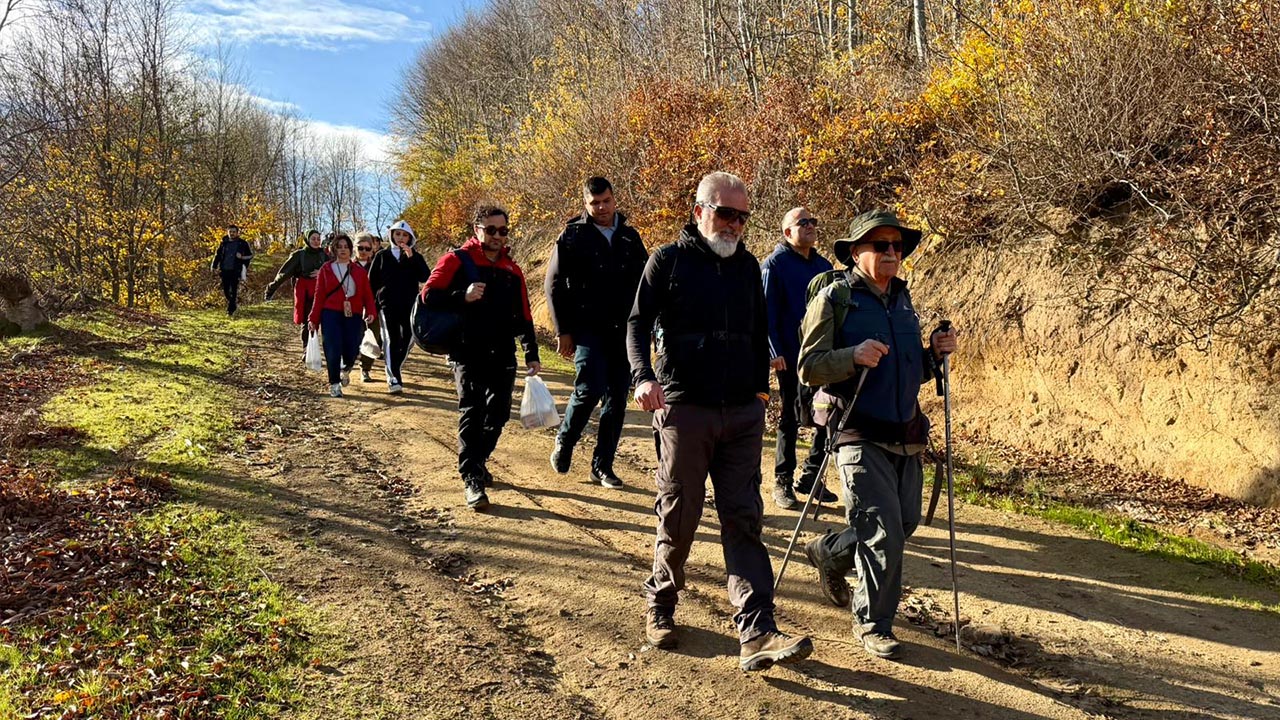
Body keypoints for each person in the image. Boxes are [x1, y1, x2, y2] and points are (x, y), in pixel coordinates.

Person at [627, 171, 813, 672]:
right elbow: (637, 322)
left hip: (742, 413)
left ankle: (757, 630)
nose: (734, 224)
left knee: (744, 518)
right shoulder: (667, 260)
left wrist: (760, 390)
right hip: (685, 409)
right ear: (699, 212)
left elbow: (758, 329)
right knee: (680, 514)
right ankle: (661, 603)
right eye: (725, 213)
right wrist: (643, 376)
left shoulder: (749, 265)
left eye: (742, 216)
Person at [796, 209, 958, 660]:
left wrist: (935, 355)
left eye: (897, 246)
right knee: (883, 532)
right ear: (854, 252)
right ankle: (872, 623)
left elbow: (910, 369)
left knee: (900, 524)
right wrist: (852, 355)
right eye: (880, 245)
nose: (892, 252)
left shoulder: (904, 301)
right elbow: (808, 367)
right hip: (856, 431)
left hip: (905, 434)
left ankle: (829, 550)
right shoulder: (834, 298)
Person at [423, 205, 541, 510]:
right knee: (472, 411)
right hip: (467, 349)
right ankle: (472, 477)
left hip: (503, 351)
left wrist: (532, 353)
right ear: (477, 230)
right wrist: (461, 295)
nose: (497, 236)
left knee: (499, 414)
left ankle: (477, 459)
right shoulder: (457, 260)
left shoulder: (512, 270)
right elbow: (429, 295)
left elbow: (523, 316)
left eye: (502, 231)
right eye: (490, 230)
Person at [545, 177, 649, 488]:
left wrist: (649, 325)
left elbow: (647, 286)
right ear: (585, 204)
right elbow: (552, 285)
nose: (601, 208)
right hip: (587, 328)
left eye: (605, 201)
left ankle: (602, 466)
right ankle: (565, 441)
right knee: (589, 388)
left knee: (617, 398)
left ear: (614, 199)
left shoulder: (630, 237)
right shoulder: (573, 235)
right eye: (594, 203)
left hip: (625, 331)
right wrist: (563, 330)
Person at [762, 207, 837, 510]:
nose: (810, 226)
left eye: (813, 221)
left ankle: (812, 477)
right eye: (802, 222)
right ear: (787, 232)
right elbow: (765, 313)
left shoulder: (823, 265)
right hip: (790, 356)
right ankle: (783, 481)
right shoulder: (774, 265)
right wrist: (773, 351)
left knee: (827, 414)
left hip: (822, 355)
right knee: (791, 417)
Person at [308, 233, 377, 398]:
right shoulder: (326, 269)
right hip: (330, 313)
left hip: (353, 314)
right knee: (332, 347)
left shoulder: (359, 271)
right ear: (334, 249)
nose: (343, 250)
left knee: (352, 347)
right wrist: (313, 318)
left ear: (350, 249)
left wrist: (371, 311)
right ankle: (334, 383)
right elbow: (319, 296)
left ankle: (346, 369)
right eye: (339, 247)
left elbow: (367, 294)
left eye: (346, 247)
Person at [369, 220, 430, 394]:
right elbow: (371, 282)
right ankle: (393, 376)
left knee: (409, 338)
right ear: (392, 235)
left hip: (409, 304)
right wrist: (371, 306)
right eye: (397, 234)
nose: (401, 238)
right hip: (386, 304)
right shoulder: (382, 255)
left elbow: (425, 276)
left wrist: (412, 258)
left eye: (404, 235)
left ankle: (395, 366)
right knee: (391, 338)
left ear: (410, 238)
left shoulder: (415, 256)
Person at [265, 230, 328, 348]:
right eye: (313, 239)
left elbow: (333, 271)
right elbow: (284, 273)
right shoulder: (299, 255)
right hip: (303, 291)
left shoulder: (324, 255)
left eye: (318, 239)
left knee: (317, 319)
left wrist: (321, 272)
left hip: (320, 292)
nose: (316, 241)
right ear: (307, 239)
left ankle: (317, 346)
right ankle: (306, 347)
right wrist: (272, 288)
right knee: (307, 319)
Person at [353, 232, 383, 383]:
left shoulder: (377, 265)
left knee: (374, 336)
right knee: (353, 337)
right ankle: (345, 366)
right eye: (360, 248)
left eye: (367, 248)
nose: (364, 251)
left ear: (372, 249)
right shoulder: (348, 266)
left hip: (373, 307)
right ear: (355, 248)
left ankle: (365, 368)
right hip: (352, 308)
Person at [211, 224, 252, 316]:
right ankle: (233, 303)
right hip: (224, 270)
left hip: (235, 270)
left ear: (237, 233)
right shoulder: (223, 243)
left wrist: (241, 257)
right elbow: (217, 255)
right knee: (226, 290)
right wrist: (213, 266)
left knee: (234, 290)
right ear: (227, 232)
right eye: (230, 232)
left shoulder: (242, 243)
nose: (232, 233)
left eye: (234, 232)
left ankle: (230, 310)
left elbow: (250, 256)